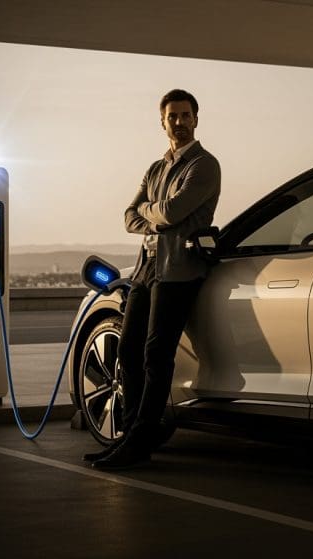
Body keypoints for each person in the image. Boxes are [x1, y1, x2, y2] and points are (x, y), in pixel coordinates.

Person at [87, 89, 221, 469]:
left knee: (156, 356)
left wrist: (153, 213)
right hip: (147, 269)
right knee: (128, 351)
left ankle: (140, 442)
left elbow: (174, 211)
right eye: (172, 116)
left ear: (196, 119)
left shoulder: (205, 165)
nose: (178, 122)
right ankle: (127, 437)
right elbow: (130, 216)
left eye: (185, 115)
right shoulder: (156, 169)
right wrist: (155, 214)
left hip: (179, 271)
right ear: (162, 122)